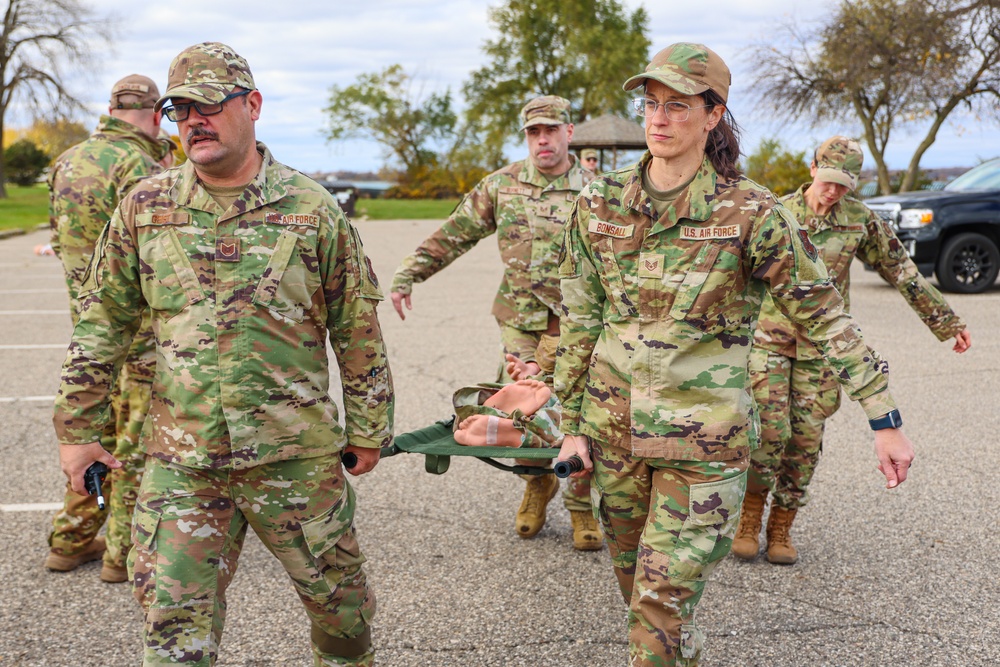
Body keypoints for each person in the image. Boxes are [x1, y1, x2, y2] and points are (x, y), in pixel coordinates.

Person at [553, 43, 916, 666]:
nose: (659, 119)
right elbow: (580, 320)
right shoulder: (599, 204)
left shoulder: (751, 213)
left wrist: (883, 417)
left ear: (713, 115)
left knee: (658, 610)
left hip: (705, 448)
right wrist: (570, 425)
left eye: (677, 105)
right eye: (650, 104)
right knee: (645, 604)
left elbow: (824, 315)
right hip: (614, 439)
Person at [52, 42, 392, 667]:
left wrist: (370, 428)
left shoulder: (311, 210)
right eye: (181, 111)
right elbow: (102, 322)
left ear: (253, 105)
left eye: (209, 105)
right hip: (184, 459)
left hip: (294, 455)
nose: (194, 122)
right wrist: (78, 428)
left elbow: (356, 327)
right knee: (173, 630)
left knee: (343, 616)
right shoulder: (146, 208)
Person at [731, 136, 971, 565]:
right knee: (769, 434)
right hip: (769, 340)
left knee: (804, 443)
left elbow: (902, 271)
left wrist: (946, 322)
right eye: (828, 181)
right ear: (811, 170)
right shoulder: (778, 212)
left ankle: (781, 525)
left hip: (823, 350)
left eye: (844, 184)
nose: (834, 191)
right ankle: (749, 517)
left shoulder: (859, 220)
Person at [390, 96, 601, 550]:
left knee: (576, 407)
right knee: (521, 409)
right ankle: (536, 484)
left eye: (550, 130)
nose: (542, 140)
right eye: (532, 132)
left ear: (570, 133)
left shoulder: (597, 189)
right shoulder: (502, 186)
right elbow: (455, 233)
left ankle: (583, 508)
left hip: (577, 322)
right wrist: (409, 274)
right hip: (520, 319)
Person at [46, 73, 171, 583]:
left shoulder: (66, 161)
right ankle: (121, 555)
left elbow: (58, 242)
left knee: (92, 438)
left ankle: (70, 540)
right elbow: (156, 252)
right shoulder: (139, 165)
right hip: (135, 331)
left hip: (89, 329)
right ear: (157, 114)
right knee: (134, 445)